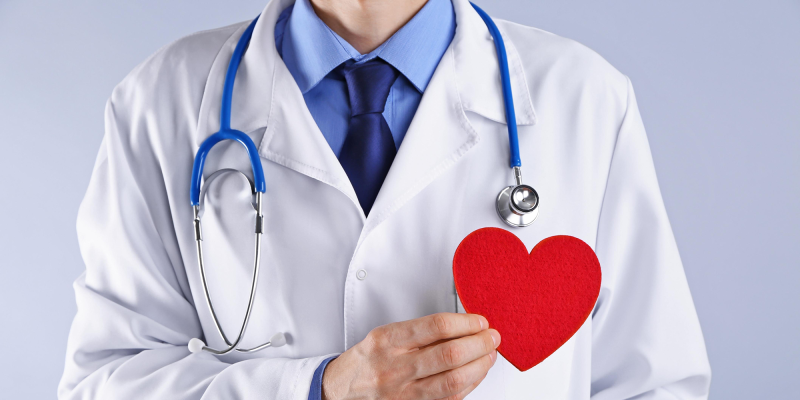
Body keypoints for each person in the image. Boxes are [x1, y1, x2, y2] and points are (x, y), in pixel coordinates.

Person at [58, 0, 711, 399]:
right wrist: (317, 391)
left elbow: (655, 384)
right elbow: (103, 384)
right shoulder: (160, 102)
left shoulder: (586, 99)